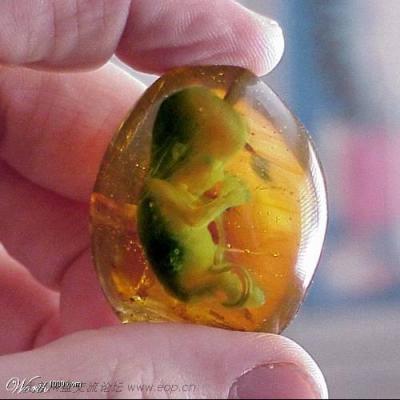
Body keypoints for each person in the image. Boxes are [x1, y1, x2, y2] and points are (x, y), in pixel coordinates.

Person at [0, 1, 327, 398]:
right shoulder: (158, 192)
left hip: (200, 267)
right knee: (229, 287)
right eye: (211, 163)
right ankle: (217, 288)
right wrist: (222, 203)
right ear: (177, 153)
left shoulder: (182, 186)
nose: (217, 175)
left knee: (241, 288)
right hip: (186, 278)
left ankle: (224, 288)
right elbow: (190, 219)